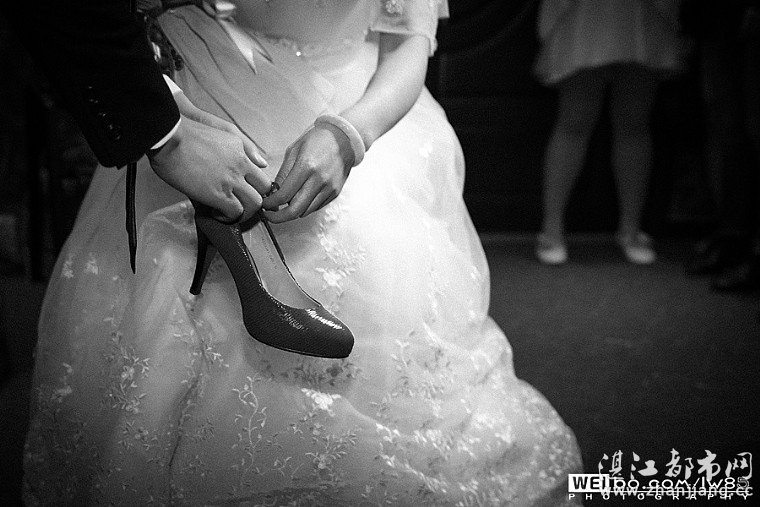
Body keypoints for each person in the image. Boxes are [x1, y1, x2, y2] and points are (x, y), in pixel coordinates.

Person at [22, 1, 583, 505]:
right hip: (198, 97)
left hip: (354, 103)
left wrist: (346, 137)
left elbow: (407, 44)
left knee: (371, 267)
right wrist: (168, 121)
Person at [533, 0, 686, 265]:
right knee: (575, 120)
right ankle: (551, 229)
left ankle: (630, 228)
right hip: (585, 13)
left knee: (634, 121)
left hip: (641, 14)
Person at [682, 0, 760, 291]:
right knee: (730, 130)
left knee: (754, 128)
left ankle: (753, 249)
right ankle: (734, 238)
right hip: (719, 16)